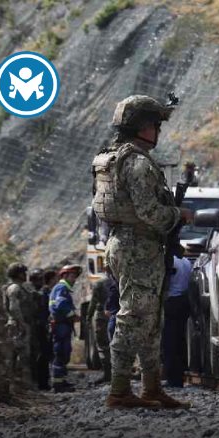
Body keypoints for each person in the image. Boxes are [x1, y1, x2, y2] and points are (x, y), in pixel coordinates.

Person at [91, 94, 192, 409]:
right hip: (138, 247)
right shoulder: (137, 163)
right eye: (154, 125)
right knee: (133, 317)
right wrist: (179, 215)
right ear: (141, 127)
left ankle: (151, 388)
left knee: (150, 320)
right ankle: (119, 392)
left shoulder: (116, 156)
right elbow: (151, 214)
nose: (158, 131)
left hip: (131, 244)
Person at [161, 246, 192, 387]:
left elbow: (165, 281)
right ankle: (179, 377)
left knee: (169, 342)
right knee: (180, 341)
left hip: (171, 303)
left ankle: (172, 378)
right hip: (184, 302)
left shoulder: (169, 261)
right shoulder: (186, 262)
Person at [3, 263, 36, 390]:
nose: (25, 275)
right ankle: (18, 385)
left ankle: (21, 385)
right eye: (23, 273)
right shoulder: (14, 288)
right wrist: (22, 324)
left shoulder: (20, 288)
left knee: (23, 356)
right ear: (18, 274)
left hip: (20, 325)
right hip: (17, 326)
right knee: (20, 356)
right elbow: (14, 308)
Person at [49, 265, 81, 393]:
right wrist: (72, 315)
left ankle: (61, 381)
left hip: (62, 325)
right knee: (61, 353)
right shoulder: (62, 288)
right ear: (64, 276)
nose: (74, 280)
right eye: (72, 276)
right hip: (61, 325)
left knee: (64, 352)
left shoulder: (62, 288)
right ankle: (58, 385)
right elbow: (60, 305)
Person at [27, 268, 52, 390]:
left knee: (43, 354)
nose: (42, 281)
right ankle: (40, 382)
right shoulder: (33, 293)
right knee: (40, 355)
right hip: (36, 327)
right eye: (40, 279)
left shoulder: (37, 292)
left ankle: (41, 382)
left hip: (39, 326)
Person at [86, 275, 112, 384]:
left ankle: (107, 374)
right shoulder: (121, 280)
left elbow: (93, 301)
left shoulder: (99, 283)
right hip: (116, 314)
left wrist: (88, 316)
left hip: (102, 316)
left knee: (102, 346)